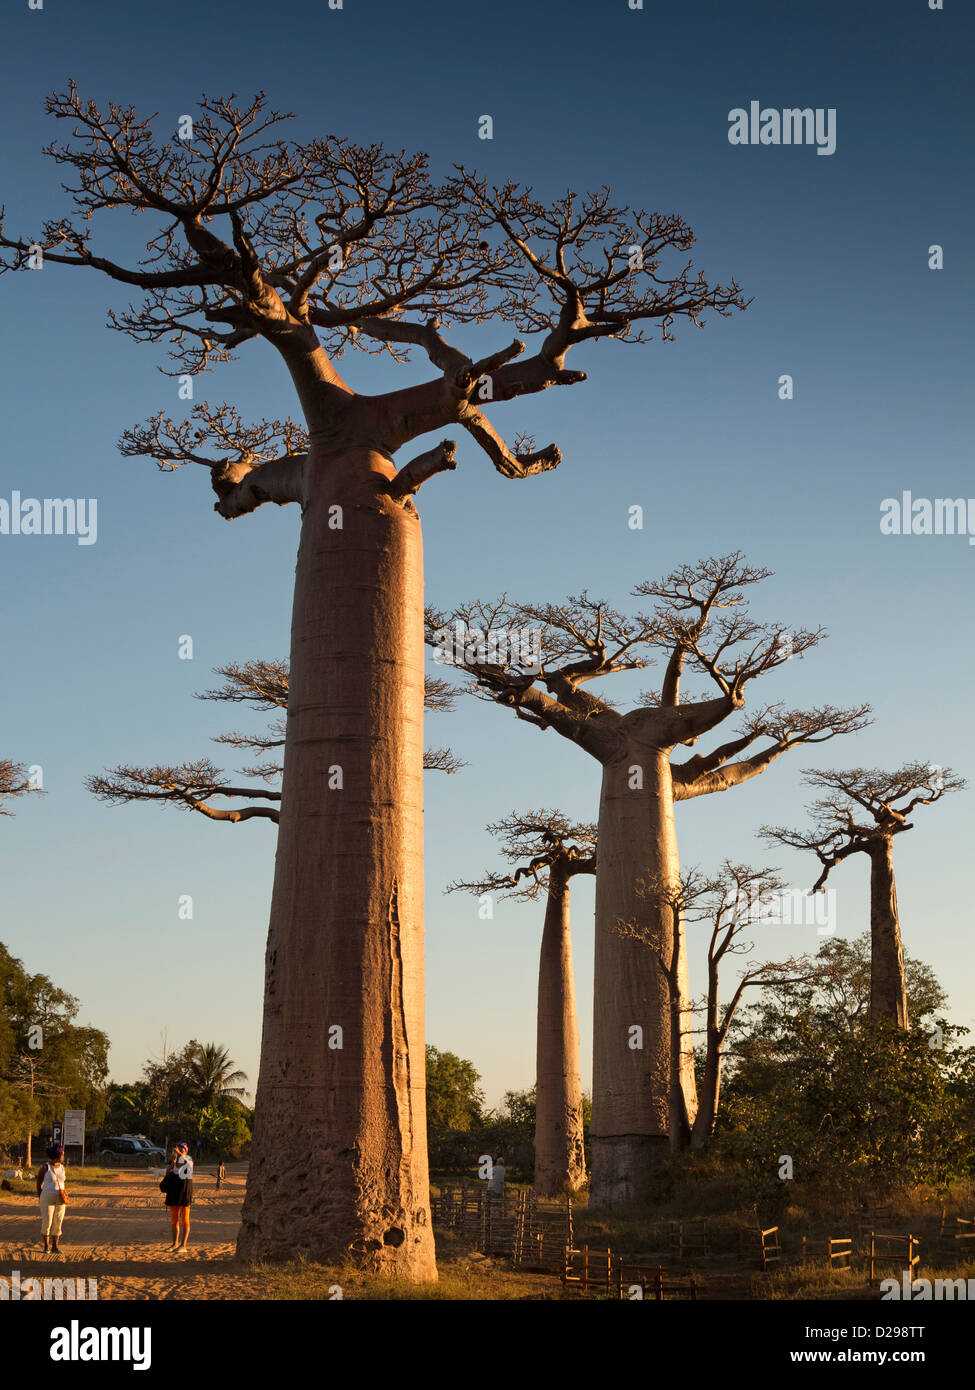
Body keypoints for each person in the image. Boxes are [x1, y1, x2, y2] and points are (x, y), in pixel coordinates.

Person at [159, 1142, 194, 1251]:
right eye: (177, 1150)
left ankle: (183, 1245)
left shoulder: (189, 1161)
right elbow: (166, 1173)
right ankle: (174, 1244)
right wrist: (173, 1162)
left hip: (184, 1195)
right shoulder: (173, 1164)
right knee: (174, 1221)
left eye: (181, 1150)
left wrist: (179, 1154)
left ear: (186, 1152)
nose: (178, 1152)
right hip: (173, 1195)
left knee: (185, 1220)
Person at [36, 1143, 69, 1254]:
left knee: (58, 1221)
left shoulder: (62, 1167)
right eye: (62, 1154)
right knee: (47, 1221)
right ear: (58, 1155)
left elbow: (62, 1182)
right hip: (47, 1197)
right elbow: (38, 1183)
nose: (63, 1156)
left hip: (60, 1198)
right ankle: (46, 1247)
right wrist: (40, 1196)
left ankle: (55, 1247)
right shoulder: (45, 1167)